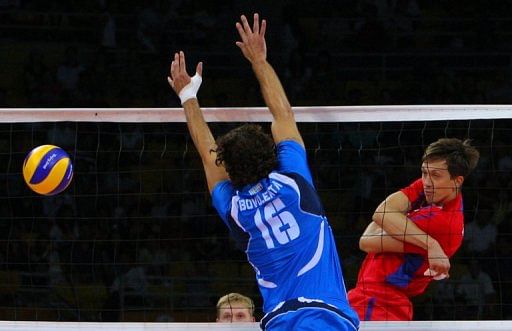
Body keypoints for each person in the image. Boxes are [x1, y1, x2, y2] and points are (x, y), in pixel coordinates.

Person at [168, 13, 359, 331]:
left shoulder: (234, 210)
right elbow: (282, 112)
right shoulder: (293, 183)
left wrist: (188, 96)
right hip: (325, 316)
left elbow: (207, 153)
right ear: (270, 154)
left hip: (279, 321)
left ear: (227, 168)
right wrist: (259, 60)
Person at [348, 138, 480, 320]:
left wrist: (396, 218)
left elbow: (368, 240)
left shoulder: (442, 222)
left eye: (435, 175)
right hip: (377, 300)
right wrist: (430, 244)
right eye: (424, 173)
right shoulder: (433, 189)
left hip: (379, 303)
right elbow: (382, 213)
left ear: (457, 181)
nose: (426, 181)